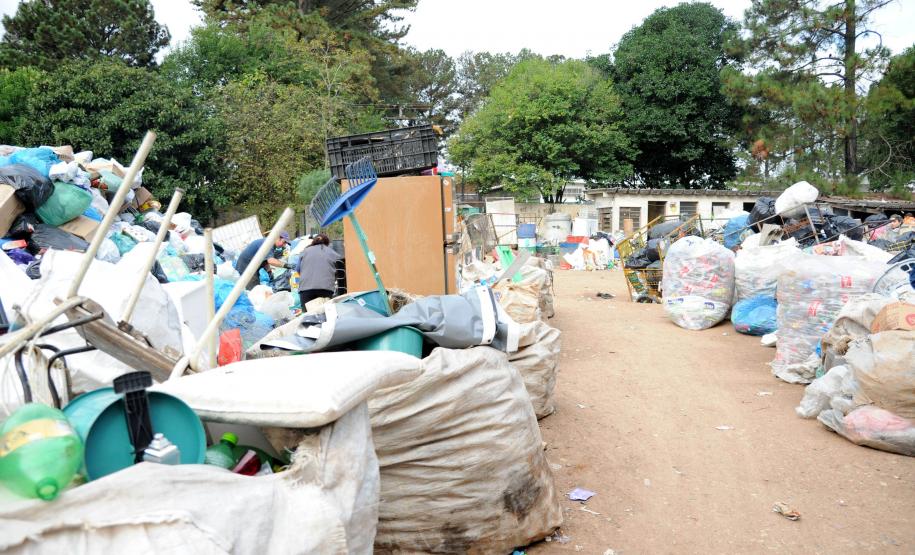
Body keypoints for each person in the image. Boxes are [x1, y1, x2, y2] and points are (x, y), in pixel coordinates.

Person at [296, 234, 341, 308]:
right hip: (326, 289)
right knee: (324, 314)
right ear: (327, 243)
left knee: (306, 315)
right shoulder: (333, 253)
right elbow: (339, 271)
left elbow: (298, 269)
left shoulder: (305, 251)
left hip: (305, 289)